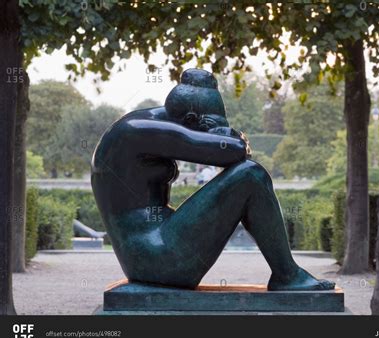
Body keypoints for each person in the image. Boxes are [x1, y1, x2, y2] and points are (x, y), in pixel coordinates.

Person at [91, 68, 334, 291]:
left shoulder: (151, 122)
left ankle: (287, 275)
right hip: (158, 258)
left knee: (247, 175)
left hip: (155, 246)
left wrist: (219, 131)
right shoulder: (140, 130)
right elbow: (232, 151)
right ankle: (287, 276)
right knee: (251, 175)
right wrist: (230, 136)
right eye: (209, 126)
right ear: (190, 120)